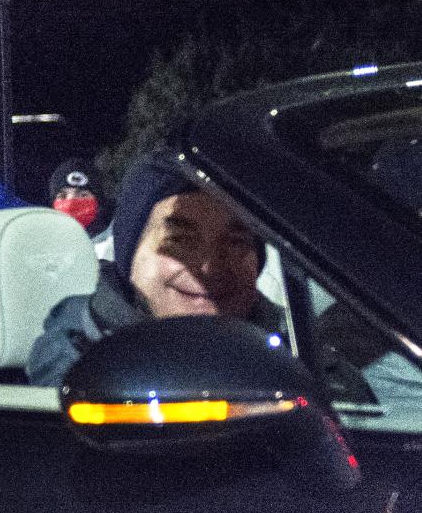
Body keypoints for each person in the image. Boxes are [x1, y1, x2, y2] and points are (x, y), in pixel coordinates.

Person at [26, 149, 283, 388]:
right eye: (179, 241)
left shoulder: (296, 342)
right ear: (130, 254)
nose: (210, 267)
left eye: (236, 243)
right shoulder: (80, 374)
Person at [47, 157, 113, 256]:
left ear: (98, 201)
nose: (70, 204)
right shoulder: (47, 249)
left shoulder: (117, 240)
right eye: (62, 196)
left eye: (82, 195)